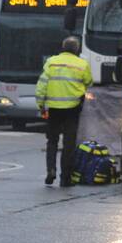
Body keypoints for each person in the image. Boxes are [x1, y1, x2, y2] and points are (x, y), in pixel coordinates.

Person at [36, 36, 93, 187]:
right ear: (77, 49)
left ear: (63, 47)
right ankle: (65, 178)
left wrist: (41, 104)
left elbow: (42, 84)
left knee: (52, 141)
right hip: (73, 109)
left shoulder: (51, 62)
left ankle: (51, 170)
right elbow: (89, 82)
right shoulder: (82, 64)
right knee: (69, 144)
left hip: (53, 108)